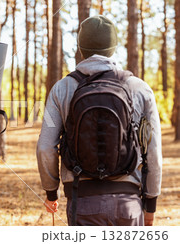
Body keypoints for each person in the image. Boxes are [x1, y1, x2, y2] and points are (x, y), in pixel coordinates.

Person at [37, 16, 162, 226]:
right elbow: (153, 151)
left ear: (80, 47)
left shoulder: (61, 89)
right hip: (128, 204)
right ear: (113, 47)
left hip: (81, 201)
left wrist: (51, 193)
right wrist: (151, 203)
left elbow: (45, 147)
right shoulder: (140, 88)